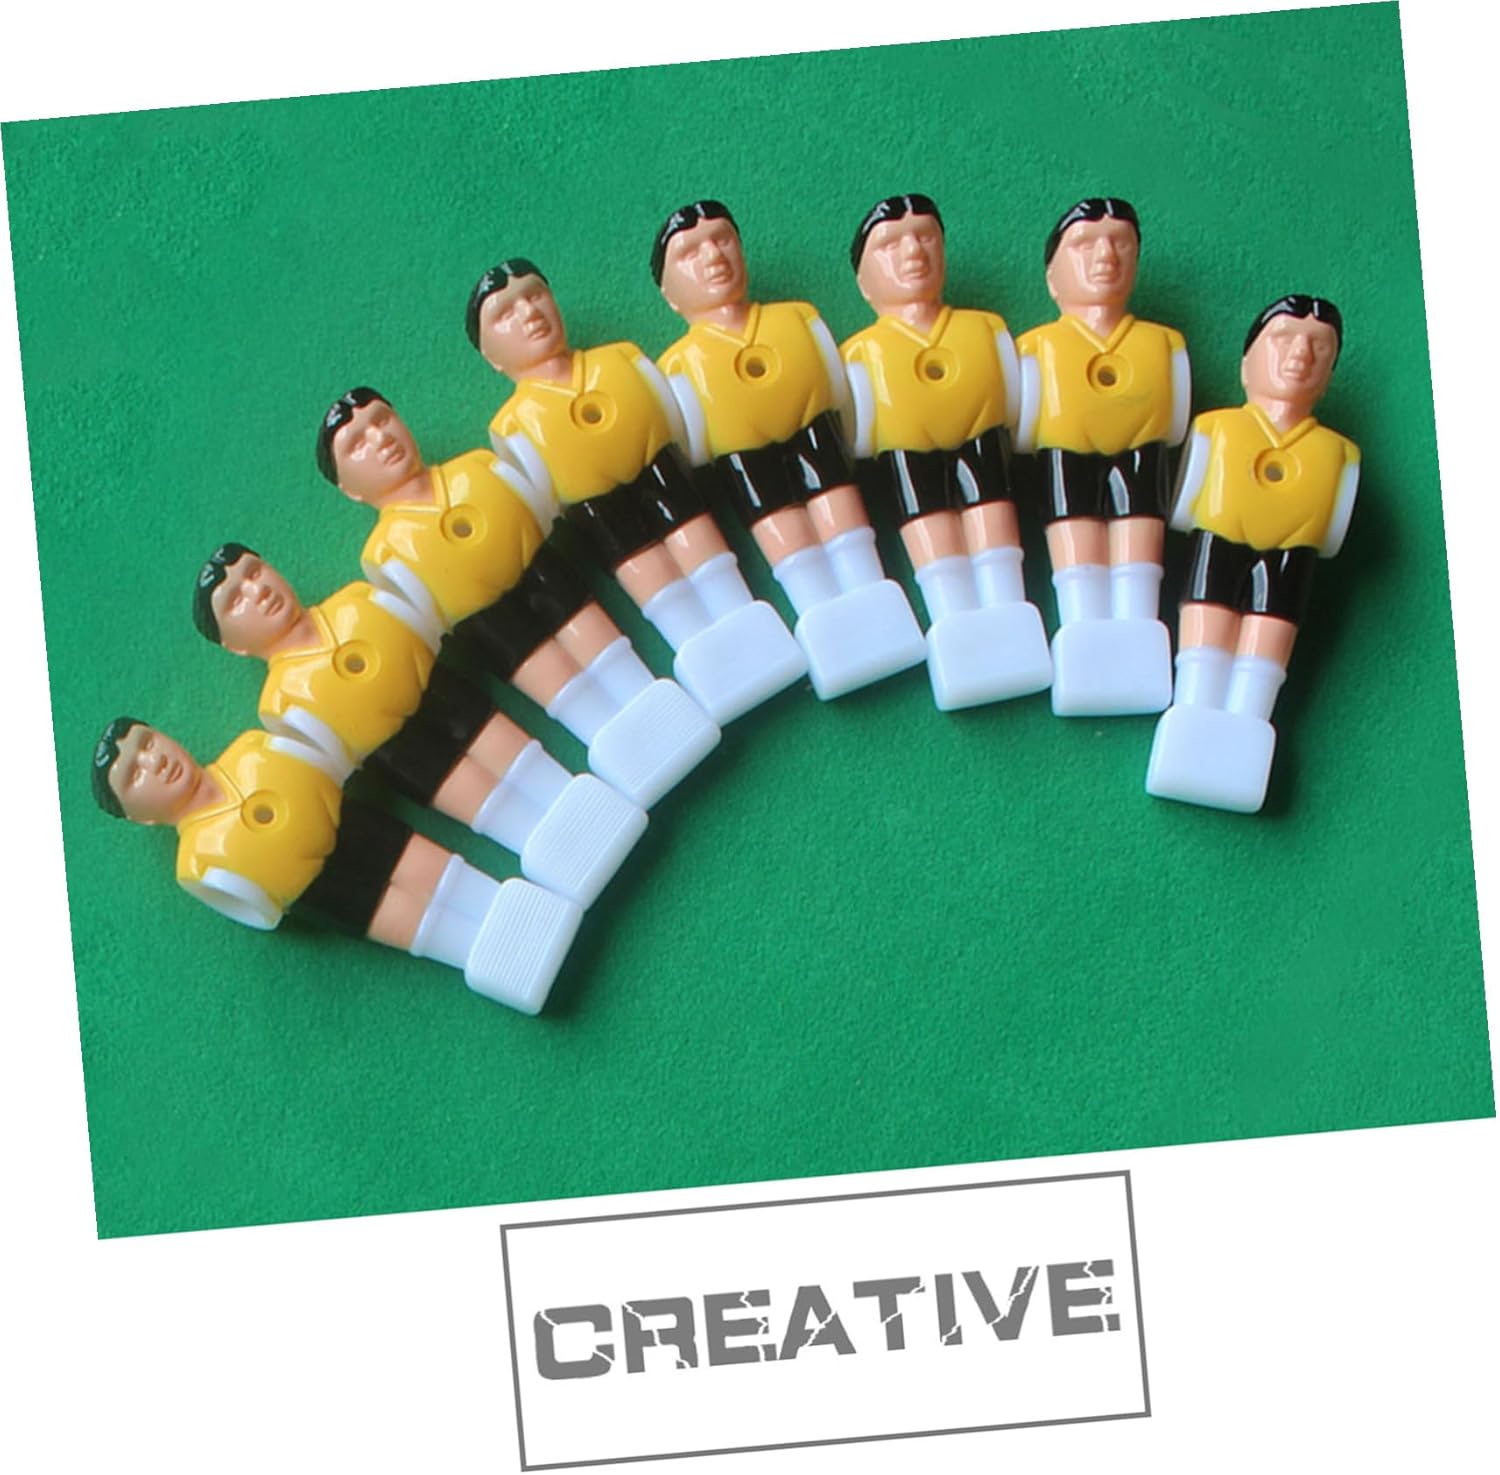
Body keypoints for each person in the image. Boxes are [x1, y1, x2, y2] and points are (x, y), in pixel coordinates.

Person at [319, 386, 718, 808]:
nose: (380, 438)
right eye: (357, 444)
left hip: (548, 576)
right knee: (561, 683)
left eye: (382, 420)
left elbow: (538, 505)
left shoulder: (478, 468)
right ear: (349, 489)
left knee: (604, 648)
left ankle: (669, 713)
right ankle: (630, 758)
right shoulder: (384, 554)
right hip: (498, 631)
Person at [194, 543, 646, 906]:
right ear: (234, 646)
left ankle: (599, 809)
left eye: (254, 572)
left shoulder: (357, 600)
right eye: (235, 602)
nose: (257, 591)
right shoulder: (280, 703)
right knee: (488, 804)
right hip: (408, 760)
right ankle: (555, 859)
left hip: (449, 697)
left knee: (520, 758)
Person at [467, 261, 806, 723]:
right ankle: (710, 667)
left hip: (666, 481)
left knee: (705, 557)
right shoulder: (512, 426)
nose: (529, 312)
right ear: (491, 356)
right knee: (659, 583)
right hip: (604, 521)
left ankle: (750, 631)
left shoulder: (622, 361)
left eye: (534, 295)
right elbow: (541, 504)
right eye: (505, 313)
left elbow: (677, 422)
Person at [90, 717, 581, 1015]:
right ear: (141, 817)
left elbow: (323, 762)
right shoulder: (195, 863)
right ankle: (492, 961)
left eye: (148, 744)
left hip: (355, 823)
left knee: (433, 869)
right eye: (134, 775)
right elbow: (260, 912)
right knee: (412, 919)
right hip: (322, 890)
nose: (154, 762)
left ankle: (522, 910)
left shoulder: (251, 748)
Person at [652, 200, 925, 699]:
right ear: (669, 294)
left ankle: (872, 603)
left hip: (817, 438)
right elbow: (691, 442)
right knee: (790, 538)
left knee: (843, 521)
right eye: (690, 252)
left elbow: (839, 391)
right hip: (745, 463)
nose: (713, 256)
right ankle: (827, 627)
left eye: (723, 240)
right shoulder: (679, 364)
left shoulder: (799, 319)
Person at [841, 192, 1051, 710]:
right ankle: (958, 634)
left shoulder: (986, 330)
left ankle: (1009, 621)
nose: (913, 251)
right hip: (908, 462)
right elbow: (857, 432)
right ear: (864, 282)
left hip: (982, 448)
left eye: (926, 237)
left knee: (995, 537)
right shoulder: (861, 353)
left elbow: (1016, 406)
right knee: (937, 548)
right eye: (890, 244)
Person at [1147, 295, 1356, 813]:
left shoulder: (1339, 456)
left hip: (1289, 565)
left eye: (1319, 347)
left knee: (1264, 651)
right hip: (1217, 551)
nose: (1300, 355)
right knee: (1206, 644)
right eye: (1284, 339)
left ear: (1329, 374)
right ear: (1246, 364)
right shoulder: (1215, 431)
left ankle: (1245, 731)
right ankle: (1191, 720)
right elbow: (1184, 508)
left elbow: (1329, 535)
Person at [1014, 198, 1191, 715]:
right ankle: (1086, 652)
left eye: (1121, 244)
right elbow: (1023, 429)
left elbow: (1175, 424)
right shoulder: (1036, 349)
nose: (1106, 256)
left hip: (1142, 462)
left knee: (1138, 563)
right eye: (1085, 244)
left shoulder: (1164, 345)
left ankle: (1137, 655)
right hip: (1065, 464)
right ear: (1052, 277)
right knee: (1080, 565)